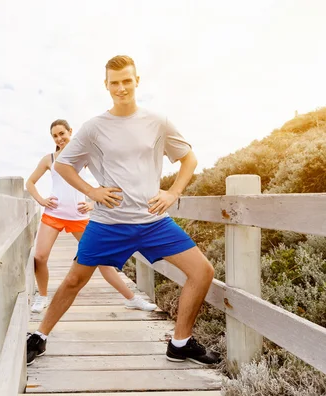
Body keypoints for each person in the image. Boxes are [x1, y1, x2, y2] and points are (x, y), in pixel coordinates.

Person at [26, 55, 219, 366]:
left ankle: (180, 342)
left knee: (202, 272)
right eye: (114, 83)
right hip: (108, 223)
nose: (121, 88)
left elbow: (189, 159)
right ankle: (40, 337)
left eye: (126, 81)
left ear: (137, 81)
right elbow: (62, 164)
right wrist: (91, 191)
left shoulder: (158, 121)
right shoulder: (93, 128)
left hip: (154, 222)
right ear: (106, 85)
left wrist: (173, 192)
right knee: (75, 280)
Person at [25, 118, 157, 314]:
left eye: (62, 133)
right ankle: (42, 297)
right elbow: (30, 183)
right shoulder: (49, 159)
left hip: (79, 217)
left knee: (102, 260)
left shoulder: (84, 156)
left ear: (71, 131)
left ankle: (132, 299)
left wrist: (92, 203)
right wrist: (41, 200)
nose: (59, 138)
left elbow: (108, 181)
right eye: (55, 136)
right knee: (40, 256)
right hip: (54, 214)